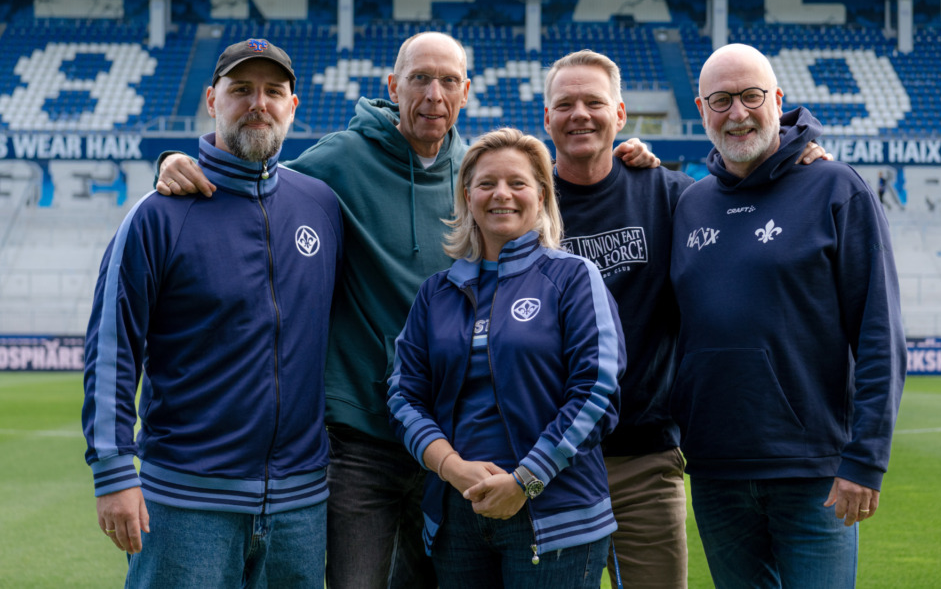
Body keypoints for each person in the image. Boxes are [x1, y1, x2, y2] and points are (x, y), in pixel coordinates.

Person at [155, 31, 655, 588]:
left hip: (454, 449)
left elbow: (542, 190)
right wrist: (177, 162)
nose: (433, 94)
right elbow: (258, 178)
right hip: (363, 440)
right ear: (393, 87)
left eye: (448, 81)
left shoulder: (474, 170)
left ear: (466, 92)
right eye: (419, 79)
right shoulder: (338, 162)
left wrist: (628, 160)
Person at [544, 49, 830, 589]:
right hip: (548, 457)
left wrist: (797, 158)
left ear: (620, 114)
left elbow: (749, 199)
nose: (580, 114)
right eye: (565, 104)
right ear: (547, 118)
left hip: (646, 459)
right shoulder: (526, 203)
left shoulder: (674, 197)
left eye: (594, 102)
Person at [81, 38, 344, 587]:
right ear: (211, 100)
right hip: (185, 501)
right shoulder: (158, 215)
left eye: (273, 91)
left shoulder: (320, 205)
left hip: (300, 505)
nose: (258, 103)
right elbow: (111, 345)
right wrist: (113, 471)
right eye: (241, 89)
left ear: (293, 106)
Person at [669, 43, 907, 589]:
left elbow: (879, 333)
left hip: (813, 472)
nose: (738, 113)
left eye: (751, 96)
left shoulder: (836, 188)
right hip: (716, 471)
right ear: (702, 110)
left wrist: (866, 460)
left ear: (777, 100)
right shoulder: (690, 204)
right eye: (721, 100)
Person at [386, 128, 625, 587]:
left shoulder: (573, 277)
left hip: (555, 518)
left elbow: (598, 391)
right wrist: (452, 468)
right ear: (467, 196)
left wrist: (526, 481)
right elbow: (403, 396)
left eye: (517, 183)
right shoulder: (436, 293)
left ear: (541, 195)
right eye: (486, 183)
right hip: (458, 515)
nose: (502, 194)